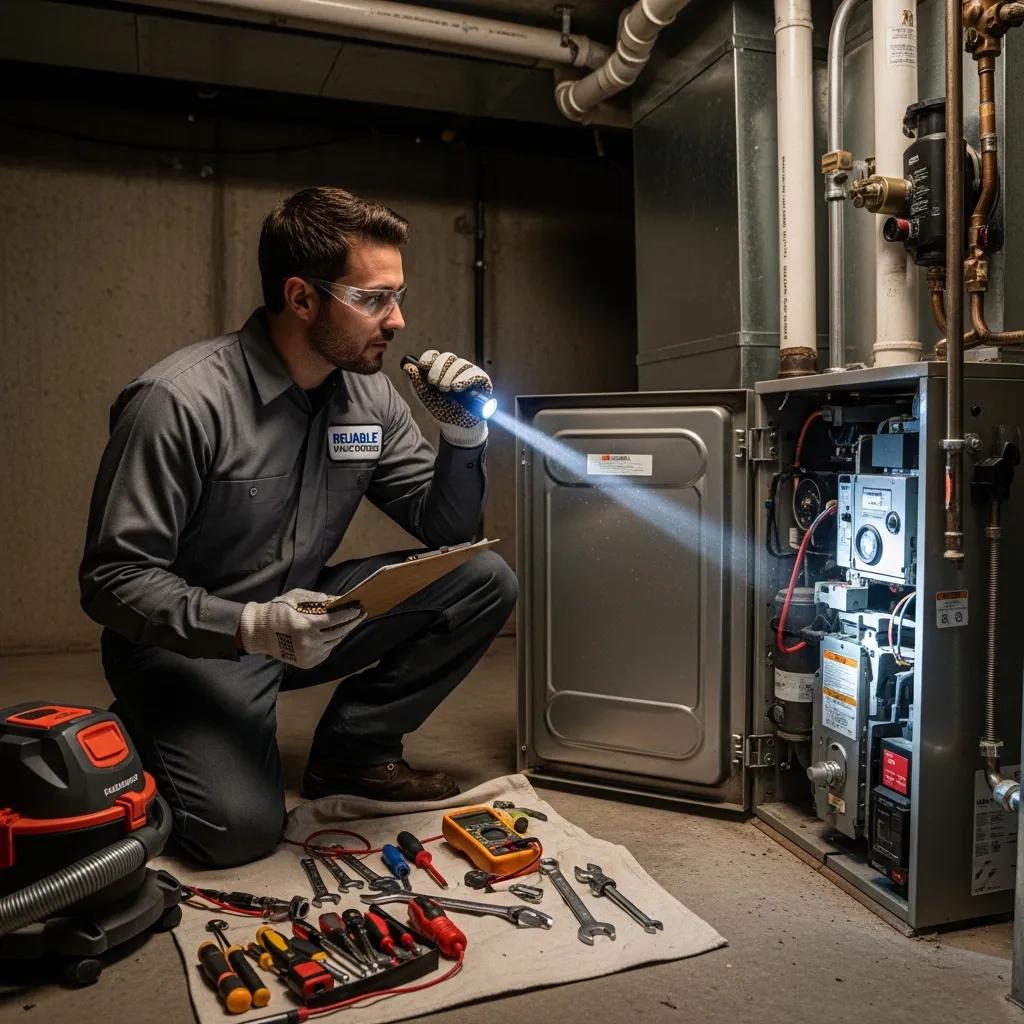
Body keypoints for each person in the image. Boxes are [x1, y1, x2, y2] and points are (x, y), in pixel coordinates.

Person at [79, 185, 518, 867]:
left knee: (482, 578)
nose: (397, 320)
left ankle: (354, 757)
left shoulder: (368, 395)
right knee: (241, 834)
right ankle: (141, 726)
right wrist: (249, 627)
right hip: (192, 650)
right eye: (372, 299)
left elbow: (446, 532)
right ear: (302, 297)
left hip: (308, 622)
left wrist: (463, 437)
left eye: (396, 295)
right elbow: (112, 579)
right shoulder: (177, 402)